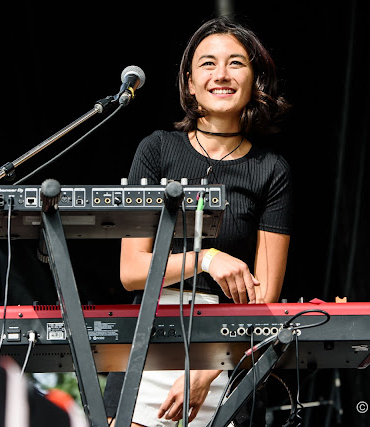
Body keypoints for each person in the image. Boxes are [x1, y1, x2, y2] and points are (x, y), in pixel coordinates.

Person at [103, 15, 292, 427]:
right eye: (207, 63)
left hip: (224, 355)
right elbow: (132, 271)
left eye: (235, 63)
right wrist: (205, 258)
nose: (221, 74)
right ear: (189, 81)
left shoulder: (271, 169)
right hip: (149, 346)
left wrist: (207, 371)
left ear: (255, 79)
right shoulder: (156, 150)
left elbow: (265, 303)